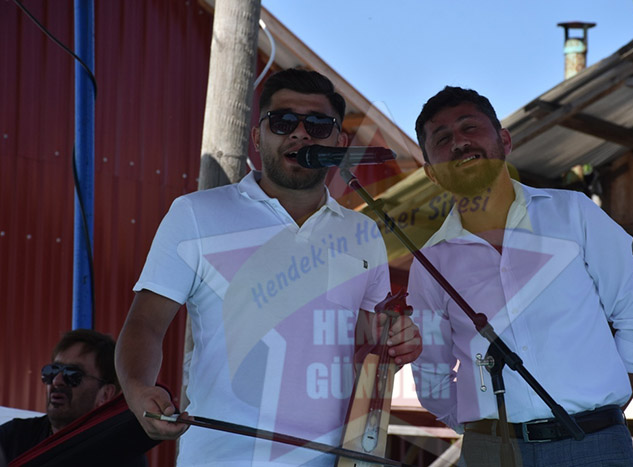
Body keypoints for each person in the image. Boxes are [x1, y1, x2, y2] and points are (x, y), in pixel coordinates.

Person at [115, 68, 422, 466]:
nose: (300, 134)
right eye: (283, 122)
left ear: (339, 143)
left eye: (317, 125)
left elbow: (371, 345)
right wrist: (137, 388)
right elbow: (145, 323)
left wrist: (399, 342)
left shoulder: (364, 233)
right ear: (258, 137)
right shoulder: (194, 213)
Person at [407, 86, 633, 466]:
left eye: (469, 127)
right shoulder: (429, 263)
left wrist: (604, 408)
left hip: (595, 445)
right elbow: (431, 374)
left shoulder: (574, 213)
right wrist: (483, 429)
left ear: (505, 141)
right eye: (442, 139)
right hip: (490, 453)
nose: (459, 143)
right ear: (432, 173)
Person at [0, 329, 120, 463]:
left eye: (73, 374)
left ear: (105, 394)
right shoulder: (14, 438)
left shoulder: (120, 454)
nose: (57, 381)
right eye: (52, 371)